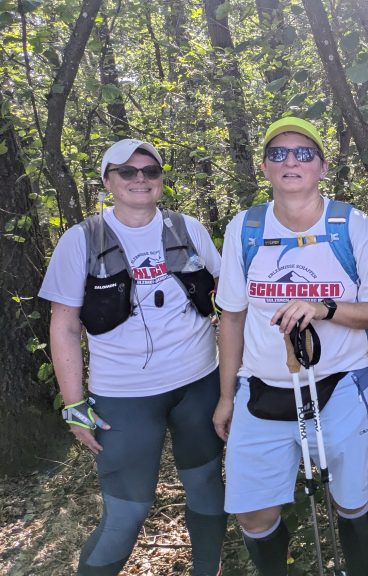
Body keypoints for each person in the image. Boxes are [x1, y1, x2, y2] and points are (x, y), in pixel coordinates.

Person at [213, 116, 368, 576]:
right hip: (260, 389)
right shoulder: (245, 228)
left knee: (350, 503)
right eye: (278, 154)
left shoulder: (352, 226)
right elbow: (231, 316)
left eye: (303, 153)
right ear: (264, 167)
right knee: (253, 513)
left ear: (322, 165)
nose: (290, 161)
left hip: (340, 386)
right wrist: (226, 396)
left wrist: (323, 307)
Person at [39, 139, 225, 575]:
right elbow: (64, 326)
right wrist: (74, 404)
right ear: (107, 181)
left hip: (199, 383)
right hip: (123, 396)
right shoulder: (81, 240)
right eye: (127, 171)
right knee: (127, 511)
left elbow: (229, 296)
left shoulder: (187, 228)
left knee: (205, 486)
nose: (140, 179)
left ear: (160, 179)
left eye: (150, 171)